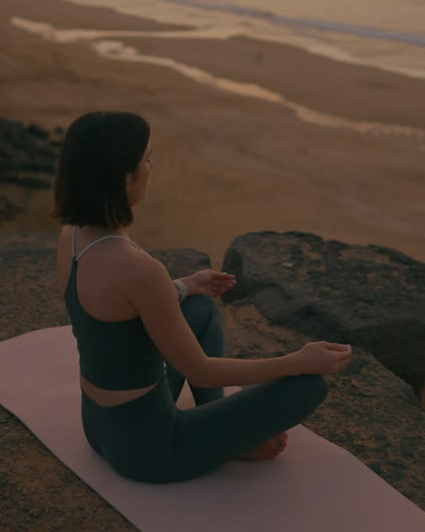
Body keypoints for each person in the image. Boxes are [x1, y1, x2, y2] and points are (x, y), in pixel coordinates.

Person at [53, 110, 353, 484]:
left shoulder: (73, 236)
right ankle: (225, 438)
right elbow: (201, 369)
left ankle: (219, 426)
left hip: (99, 427)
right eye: (147, 159)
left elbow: (121, 306)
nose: (151, 167)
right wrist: (297, 360)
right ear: (124, 178)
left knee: (200, 307)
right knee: (310, 385)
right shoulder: (140, 269)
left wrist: (186, 285)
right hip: (154, 449)